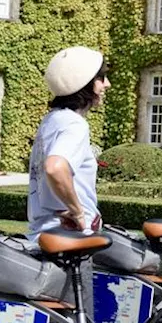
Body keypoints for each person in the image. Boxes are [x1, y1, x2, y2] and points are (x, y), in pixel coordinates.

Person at [29, 46, 108, 235]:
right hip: (71, 237)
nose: (107, 84)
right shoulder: (74, 124)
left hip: (44, 232)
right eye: (101, 78)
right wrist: (78, 212)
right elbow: (55, 167)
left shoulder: (51, 120)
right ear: (87, 84)